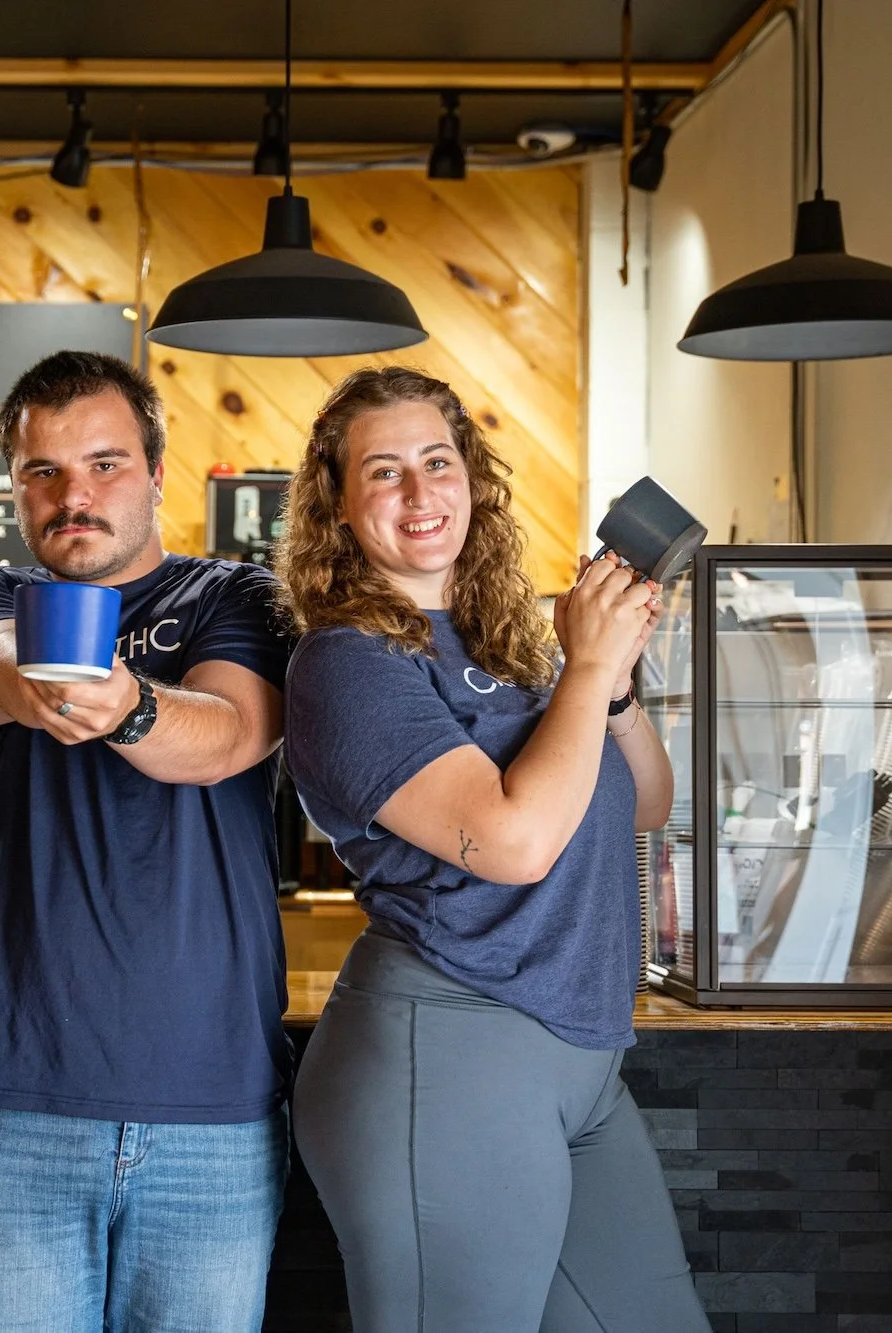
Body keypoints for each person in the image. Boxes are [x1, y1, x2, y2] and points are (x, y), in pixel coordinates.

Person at [274, 367, 708, 1333]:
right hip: (451, 1049)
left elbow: (646, 801)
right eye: (383, 473)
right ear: (340, 510)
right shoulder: (345, 663)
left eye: (439, 461)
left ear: (473, 477)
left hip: (579, 1058)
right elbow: (512, 842)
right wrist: (587, 667)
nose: (421, 493)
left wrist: (611, 680)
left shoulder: (508, 646)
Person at [0, 351, 292, 1332]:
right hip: (12, 1108)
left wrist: (127, 709)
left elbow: (225, 737)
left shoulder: (235, 598)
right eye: (41, 472)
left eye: (102, 464)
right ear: (14, 489)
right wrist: (34, 678)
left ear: (156, 474)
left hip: (211, 1115)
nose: (71, 494)